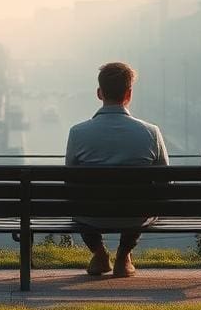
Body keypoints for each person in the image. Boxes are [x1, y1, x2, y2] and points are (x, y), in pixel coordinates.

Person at [65, 61, 169, 277]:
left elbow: (70, 183)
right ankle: (123, 256)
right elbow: (164, 183)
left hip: (90, 215)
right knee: (141, 203)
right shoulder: (151, 133)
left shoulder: (78, 133)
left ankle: (100, 254)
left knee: (80, 200)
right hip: (134, 215)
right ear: (128, 94)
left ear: (99, 93)